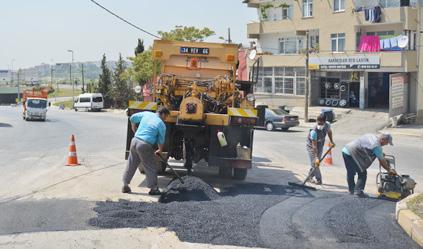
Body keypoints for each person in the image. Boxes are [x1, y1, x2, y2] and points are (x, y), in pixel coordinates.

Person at [122, 106, 170, 195]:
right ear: (163, 114)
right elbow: (161, 140)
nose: (166, 119)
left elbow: (132, 118)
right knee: (150, 166)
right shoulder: (161, 124)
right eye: (166, 116)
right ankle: (154, 189)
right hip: (144, 145)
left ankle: (125, 185)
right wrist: (159, 150)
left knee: (131, 163)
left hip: (134, 141)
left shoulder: (147, 114)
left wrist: (134, 130)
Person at [342, 133, 397, 198]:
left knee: (350, 172)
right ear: (383, 139)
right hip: (352, 152)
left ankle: (351, 190)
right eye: (387, 142)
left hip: (346, 150)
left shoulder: (372, 136)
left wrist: (380, 154)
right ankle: (358, 191)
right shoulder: (377, 146)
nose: (386, 144)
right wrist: (389, 170)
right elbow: (382, 161)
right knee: (362, 173)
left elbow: (366, 146)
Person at [306, 113, 335, 185]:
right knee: (315, 163)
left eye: (322, 124)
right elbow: (314, 146)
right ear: (317, 121)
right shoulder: (314, 131)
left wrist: (331, 141)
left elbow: (329, 132)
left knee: (315, 164)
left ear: (325, 122)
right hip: (311, 146)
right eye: (318, 123)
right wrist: (316, 157)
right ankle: (319, 179)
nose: (320, 125)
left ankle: (310, 176)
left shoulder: (327, 125)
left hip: (320, 144)